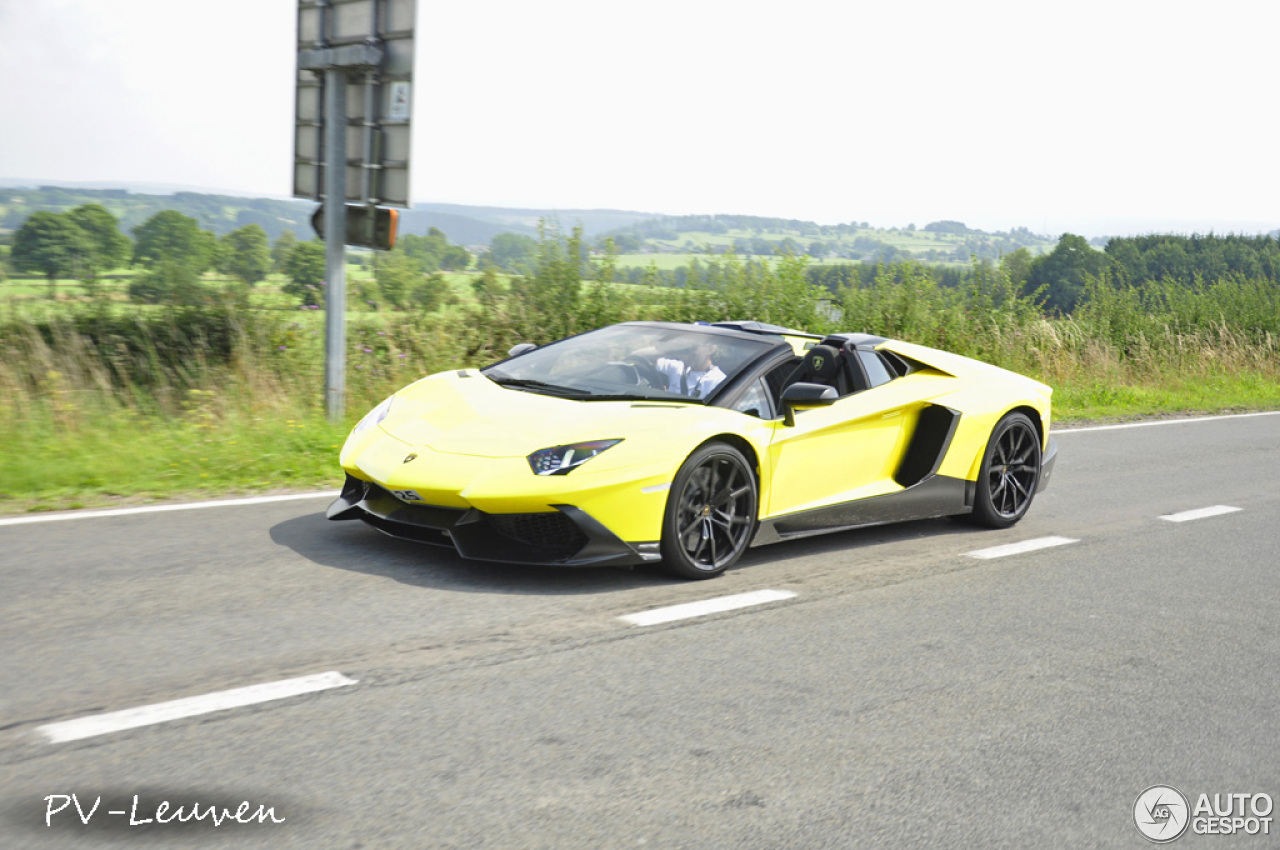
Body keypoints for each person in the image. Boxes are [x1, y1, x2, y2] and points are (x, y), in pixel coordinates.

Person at [655, 342, 726, 398]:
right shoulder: (677, 367)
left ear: (710, 349)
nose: (689, 353)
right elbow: (649, 362)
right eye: (686, 349)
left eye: (694, 347)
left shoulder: (718, 380)